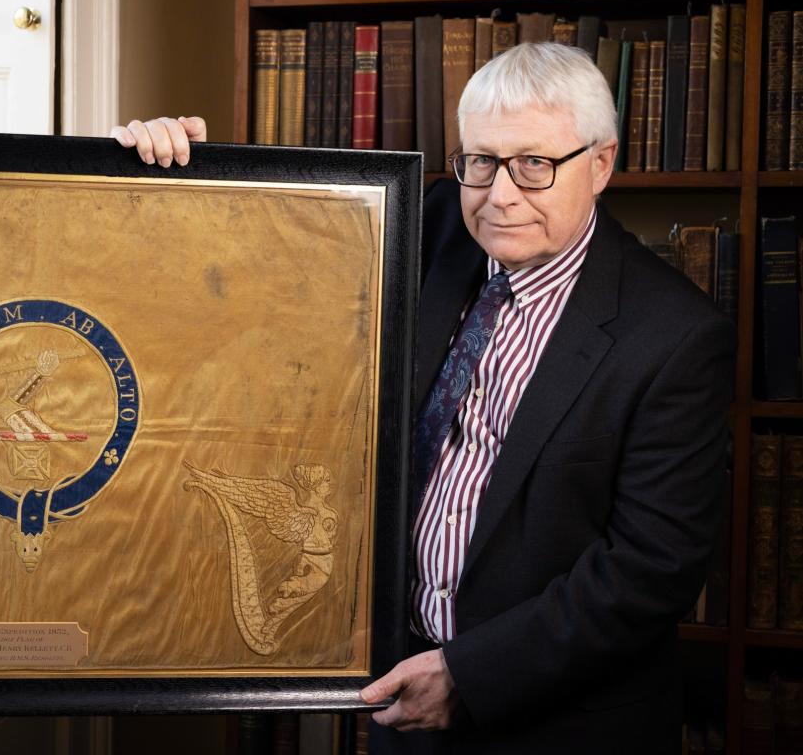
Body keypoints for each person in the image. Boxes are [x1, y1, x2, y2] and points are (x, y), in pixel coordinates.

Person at [111, 42, 734, 753]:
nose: (500, 194)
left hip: (556, 719)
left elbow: (650, 568)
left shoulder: (674, 337)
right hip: (400, 705)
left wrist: (467, 674)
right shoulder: (429, 223)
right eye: (480, 161)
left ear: (598, 165)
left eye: (535, 164)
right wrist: (173, 169)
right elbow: (269, 244)